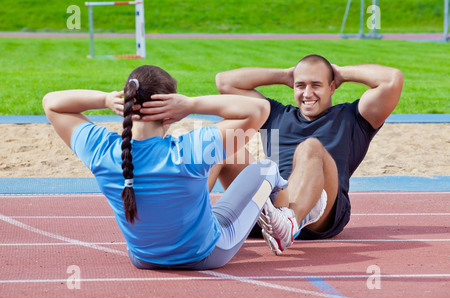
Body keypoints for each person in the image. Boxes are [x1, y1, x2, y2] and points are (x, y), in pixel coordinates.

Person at [42, 65, 289, 270]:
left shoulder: (100, 151)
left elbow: (51, 102)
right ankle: (288, 223)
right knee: (266, 168)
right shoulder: (191, 149)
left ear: (126, 106)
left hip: (143, 259)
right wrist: (191, 104)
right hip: (206, 255)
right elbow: (259, 109)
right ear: (171, 114)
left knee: (222, 162)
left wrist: (105, 99)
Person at [211, 54, 404, 255]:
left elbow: (392, 79)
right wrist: (286, 75)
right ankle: (189, 225)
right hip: (272, 210)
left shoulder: (353, 118)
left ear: (332, 87)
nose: (307, 93)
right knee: (224, 143)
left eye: (316, 85)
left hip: (321, 213)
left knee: (310, 147)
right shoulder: (274, 114)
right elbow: (224, 82)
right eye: (301, 85)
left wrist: (341, 73)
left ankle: (289, 222)